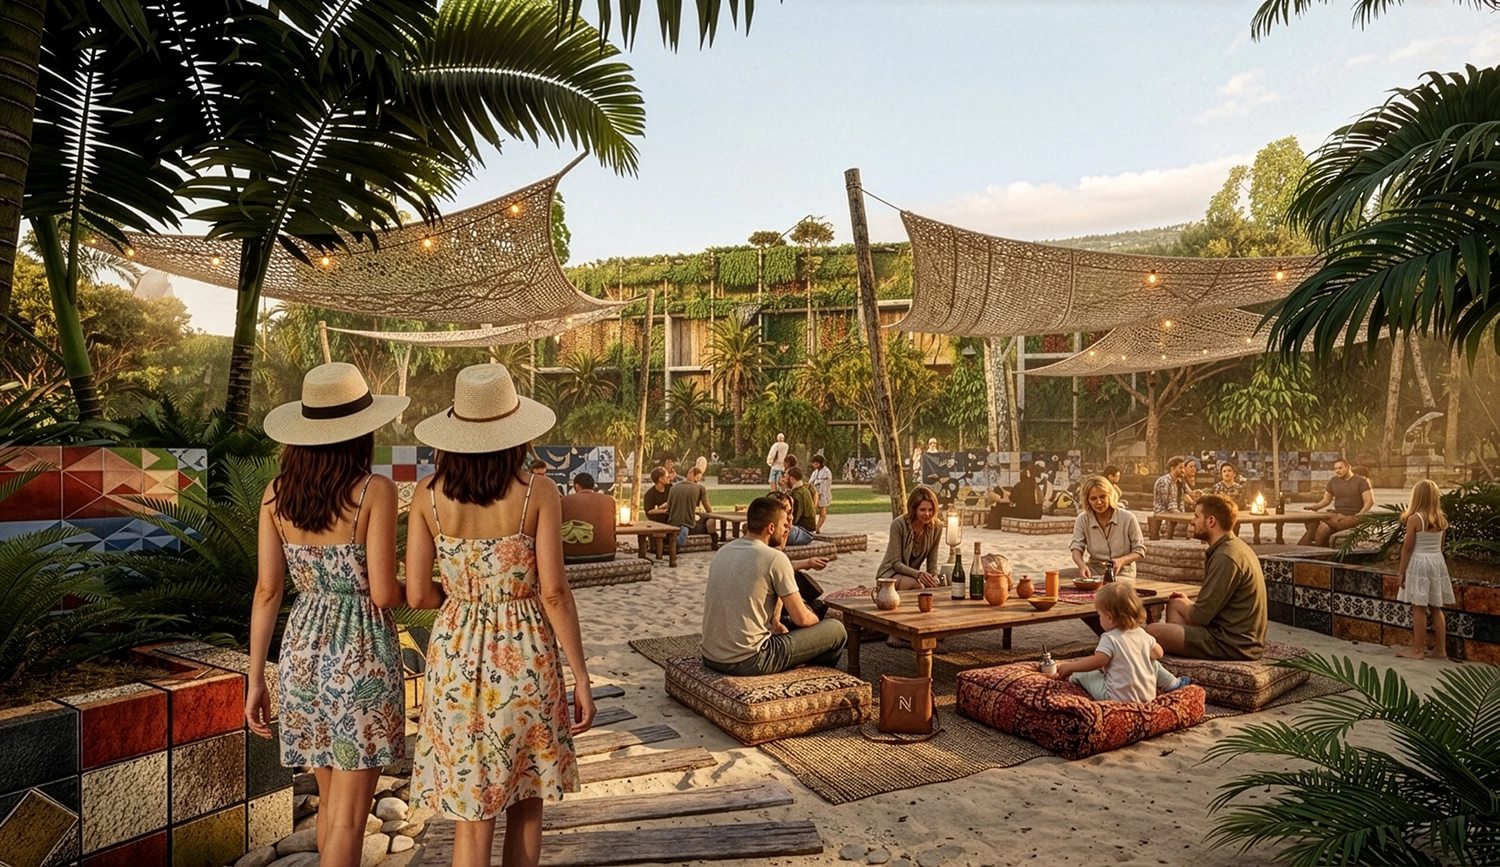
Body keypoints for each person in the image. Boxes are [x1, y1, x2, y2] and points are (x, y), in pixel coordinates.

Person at [406, 364, 593, 867]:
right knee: (527, 807)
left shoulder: (426, 495)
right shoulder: (538, 492)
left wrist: (465, 603)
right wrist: (580, 676)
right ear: (516, 434)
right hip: (527, 658)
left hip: (454, 661)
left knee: (472, 822)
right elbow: (554, 592)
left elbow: (419, 594)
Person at [248, 363, 407, 867]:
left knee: (330, 807)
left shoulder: (276, 494)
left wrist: (257, 679)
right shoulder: (373, 491)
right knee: (347, 820)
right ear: (362, 431)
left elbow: (268, 590)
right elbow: (382, 592)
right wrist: (436, 589)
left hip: (300, 658)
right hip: (359, 657)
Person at [700, 496, 847, 676]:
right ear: (771, 528)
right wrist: (818, 626)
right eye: (785, 526)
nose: (787, 530)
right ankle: (812, 676)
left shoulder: (723, 551)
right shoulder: (774, 558)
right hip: (749, 659)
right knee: (836, 629)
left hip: (711, 656)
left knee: (790, 627)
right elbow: (802, 619)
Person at [1145, 494, 1267, 660]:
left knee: (1151, 632)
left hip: (1232, 643)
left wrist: (1188, 606)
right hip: (1224, 632)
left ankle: (1174, 654)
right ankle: (1180, 656)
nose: (1192, 521)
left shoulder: (1226, 557)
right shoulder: (1230, 547)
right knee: (1174, 602)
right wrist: (1185, 603)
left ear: (1211, 521)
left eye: (1196, 516)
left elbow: (1200, 617)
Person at [1046, 583, 1190, 701]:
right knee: (1153, 664)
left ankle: (1070, 681)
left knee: (1086, 674)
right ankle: (1173, 684)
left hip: (1115, 697)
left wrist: (1071, 667)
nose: (1099, 618)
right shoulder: (1141, 633)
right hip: (1147, 696)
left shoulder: (1109, 638)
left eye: (1099, 615)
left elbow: (1098, 662)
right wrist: (1140, 655)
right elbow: (1158, 653)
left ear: (1109, 617)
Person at [1396, 479, 1455, 660]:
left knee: (1419, 608)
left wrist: (1401, 572)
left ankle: (1417, 650)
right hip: (1437, 561)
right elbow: (1441, 545)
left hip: (1419, 562)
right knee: (1436, 607)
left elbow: (1407, 547)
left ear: (1416, 497)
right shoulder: (1441, 520)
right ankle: (1440, 650)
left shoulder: (1415, 519)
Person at [1061, 475, 1145, 581]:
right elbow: (1076, 547)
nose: (1099, 502)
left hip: (1121, 572)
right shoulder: (1083, 519)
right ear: (1087, 500)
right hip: (1095, 569)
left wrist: (1121, 561)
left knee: (1111, 587)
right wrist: (1082, 566)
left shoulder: (1127, 518)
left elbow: (1139, 551)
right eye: (1093, 498)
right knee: (1057, 576)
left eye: (1103, 497)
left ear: (1110, 496)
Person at [876, 485, 943, 591]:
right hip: (891, 574)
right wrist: (918, 574)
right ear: (914, 509)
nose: (927, 514)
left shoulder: (937, 527)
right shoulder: (898, 525)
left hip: (912, 575)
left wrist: (934, 577)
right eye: (922, 510)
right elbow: (896, 564)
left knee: (941, 582)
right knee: (917, 585)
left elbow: (932, 563)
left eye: (930, 510)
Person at [1298, 457, 1374, 545]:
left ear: (1348, 467)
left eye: (1340, 468)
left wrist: (1360, 514)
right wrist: (1315, 507)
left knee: (1324, 520)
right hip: (1337, 515)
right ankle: (1320, 553)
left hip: (1353, 516)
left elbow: (1370, 501)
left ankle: (1320, 521)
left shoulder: (1361, 481)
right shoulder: (1333, 481)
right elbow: (1326, 500)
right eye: (1335, 469)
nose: (1337, 471)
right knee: (1322, 529)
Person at [559, 472, 616, 564]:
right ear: (593, 486)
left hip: (571, 556)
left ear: (576, 486)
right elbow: (613, 528)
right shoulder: (609, 500)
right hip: (607, 554)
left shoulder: (564, 501)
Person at [666, 465, 712, 549]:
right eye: (697, 478)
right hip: (688, 524)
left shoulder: (673, 487)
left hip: (673, 523)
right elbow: (708, 509)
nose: (697, 481)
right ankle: (715, 543)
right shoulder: (700, 488)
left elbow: (668, 508)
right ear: (691, 474)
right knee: (706, 525)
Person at [785, 466, 818, 546]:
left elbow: (794, 519)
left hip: (804, 532)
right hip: (807, 531)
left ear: (792, 479)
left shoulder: (797, 495)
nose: (785, 480)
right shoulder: (804, 490)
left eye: (786, 477)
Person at [809, 455, 833, 532]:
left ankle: (817, 528)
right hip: (814, 494)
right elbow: (811, 482)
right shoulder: (815, 472)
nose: (814, 465)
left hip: (823, 494)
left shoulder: (826, 472)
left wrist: (816, 483)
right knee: (812, 511)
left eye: (815, 463)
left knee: (822, 512)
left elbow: (824, 484)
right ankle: (814, 526)